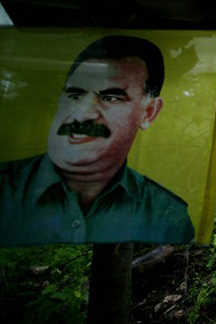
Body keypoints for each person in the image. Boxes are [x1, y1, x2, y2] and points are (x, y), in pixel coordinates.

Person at [0, 35, 195, 246]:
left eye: (110, 98)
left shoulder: (165, 214)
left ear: (148, 112)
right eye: (75, 95)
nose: (82, 114)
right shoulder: (4, 187)